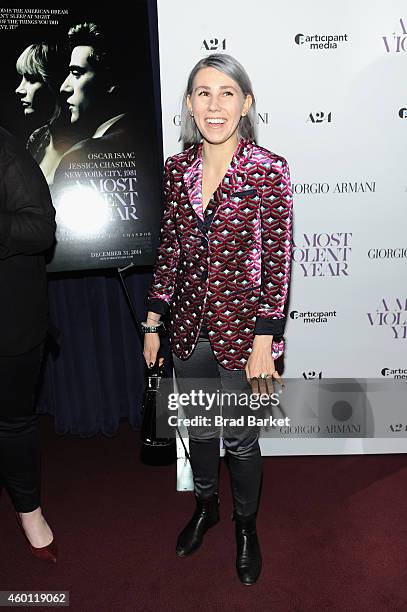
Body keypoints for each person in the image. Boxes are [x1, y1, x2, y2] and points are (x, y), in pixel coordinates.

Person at [144, 54, 293, 585]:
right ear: (189, 104)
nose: (214, 105)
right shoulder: (176, 169)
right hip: (186, 330)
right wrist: (153, 320)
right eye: (203, 93)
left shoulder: (269, 170)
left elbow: (277, 260)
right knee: (202, 429)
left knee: (242, 438)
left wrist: (265, 338)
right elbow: (171, 249)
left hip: (244, 334)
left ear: (246, 103)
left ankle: (246, 526)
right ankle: (207, 506)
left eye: (227, 93)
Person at [0, 125, 57, 562]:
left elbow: (39, 229)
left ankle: (29, 511)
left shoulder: (5, 148)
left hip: (9, 322)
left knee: (13, 422)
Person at [15, 42, 76, 185]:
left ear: (54, 82)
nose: (19, 89)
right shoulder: (37, 138)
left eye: (31, 79)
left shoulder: (86, 144)